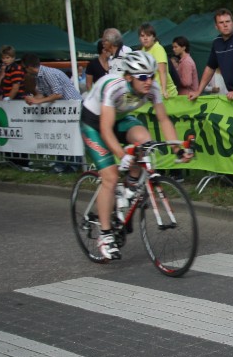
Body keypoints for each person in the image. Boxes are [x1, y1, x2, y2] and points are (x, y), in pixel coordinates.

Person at [79, 51, 193, 262]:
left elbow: (163, 120)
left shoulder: (152, 88)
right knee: (110, 177)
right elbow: (105, 129)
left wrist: (177, 149)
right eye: (142, 77)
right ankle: (105, 235)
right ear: (129, 77)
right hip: (94, 124)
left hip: (120, 118)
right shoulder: (114, 87)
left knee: (144, 140)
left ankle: (131, 185)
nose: (148, 81)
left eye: (151, 75)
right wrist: (121, 155)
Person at [187, 9, 233, 102]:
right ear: (216, 26)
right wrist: (198, 91)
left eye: (228, 21)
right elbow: (210, 68)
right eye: (221, 22)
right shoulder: (216, 42)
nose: (225, 25)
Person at [138, 23, 176, 99]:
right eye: (142, 36)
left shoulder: (158, 49)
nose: (145, 38)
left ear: (154, 37)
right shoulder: (142, 51)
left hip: (166, 94)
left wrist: (164, 90)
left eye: (148, 35)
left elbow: (162, 71)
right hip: (152, 93)